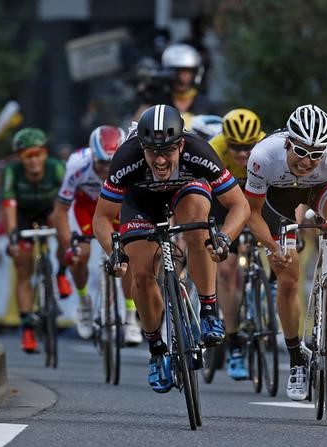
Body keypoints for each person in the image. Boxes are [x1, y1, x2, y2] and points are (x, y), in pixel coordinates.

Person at [93, 104, 250, 393]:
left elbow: (239, 204)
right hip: (140, 201)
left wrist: (225, 237)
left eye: (167, 151)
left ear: (181, 144)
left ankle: (208, 310)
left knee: (197, 226)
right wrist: (113, 251)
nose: (160, 160)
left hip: (185, 190)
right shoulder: (126, 157)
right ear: (142, 147)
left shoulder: (198, 150)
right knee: (140, 274)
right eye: (152, 152)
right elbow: (101, 218)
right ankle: (155, 348)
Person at [245, 104, 327, 401]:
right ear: (289, 142)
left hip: (318, 191)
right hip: (279, 201)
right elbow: (250, 212)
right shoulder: (263, 157)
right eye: (301, 151)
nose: (307, 161)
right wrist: (273, 246)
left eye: (316, 154)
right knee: (288, 280)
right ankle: (296, 359)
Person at [52, 125, 142, 345]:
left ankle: (131, 317)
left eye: (111, 163)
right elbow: (61, 210)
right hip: (87, 207)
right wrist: (69, 245)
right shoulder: (76, 166)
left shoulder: (133, 163)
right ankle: (84, 301)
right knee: (80, 254)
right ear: (93, 156)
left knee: (127, 255)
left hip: (117, 205)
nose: (106, 170)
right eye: (102, 163)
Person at [207, 108, 265, 380]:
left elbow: (286, 195)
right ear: (225, 141)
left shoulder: (268, 148)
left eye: (248, 148)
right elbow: (201, 197)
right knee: (227, 269)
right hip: (224, 203)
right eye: (236, 148)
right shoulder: (214, 150)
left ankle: (268, 287)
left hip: (257, 199)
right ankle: (233, 343)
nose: (242, 154)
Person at [2, 127, 72, 353]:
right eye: (26, 156)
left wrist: (68, 234)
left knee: (63, 230)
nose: (33, 161)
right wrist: (13, 235)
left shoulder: (56, 168)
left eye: (37, 154)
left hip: (50, 211)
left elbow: (67, 203)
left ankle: (61, 273)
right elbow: (9, 204)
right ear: (19, 157)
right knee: (23, 267)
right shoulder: (11, 172)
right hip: (23, 216)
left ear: (45, 153)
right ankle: (27, 328)